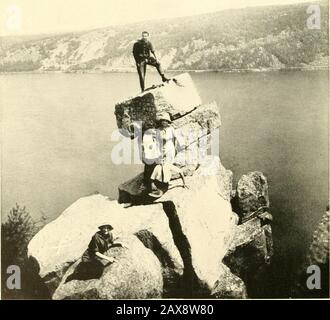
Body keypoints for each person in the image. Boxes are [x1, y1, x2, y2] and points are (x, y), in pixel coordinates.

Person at [147, 112, 188, 198]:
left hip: (170, 148)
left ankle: (164, 185)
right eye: (163, 120)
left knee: (167, 166)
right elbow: (156, 141)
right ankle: (160, 186)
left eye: (166, 121)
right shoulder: (158, 130)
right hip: (161, 149)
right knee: (160, 166)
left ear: (168, 122)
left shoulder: (171, 129)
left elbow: (177, 138)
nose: (164, 122)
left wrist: (180, 146)